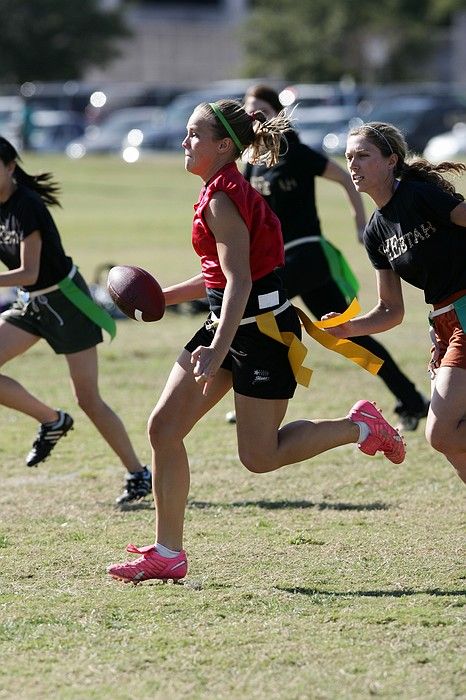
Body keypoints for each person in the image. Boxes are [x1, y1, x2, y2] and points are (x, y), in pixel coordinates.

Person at [107, 99, 405, 585]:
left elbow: (240, 282)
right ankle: (168, 553)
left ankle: (361, 427)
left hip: (263, 335)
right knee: (163, 428)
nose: (185, 142)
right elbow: (218, 281)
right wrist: (162, 295)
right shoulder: (215, 190)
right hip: (228, 325)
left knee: (260, 457)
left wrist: (218, 349)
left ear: (224, 146)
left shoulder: (224, 198)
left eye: (194, 135)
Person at [234, 84, 428, 432]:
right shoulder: (252, 163)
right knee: (348, 334)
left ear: (276, 114)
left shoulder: (293, 151)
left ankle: (256, 392)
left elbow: (343, 177)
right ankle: (412, 400)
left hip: (306, 254)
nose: (254, 116)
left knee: (250, 311)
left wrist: (358, 221)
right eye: (248, 109)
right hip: (280, 262)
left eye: (261, 109)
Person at [0, 136, 150, 505]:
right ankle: (52, 421)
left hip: (66, 300)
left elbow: (29, 271)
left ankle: (138, 473)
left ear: (9, 167)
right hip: (32, 304)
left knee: (88, 399)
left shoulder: (27, 206)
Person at [324, 121, 466, 484]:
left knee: (442, 434)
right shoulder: (375, 232)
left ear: (391, 160)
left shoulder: (418, 195)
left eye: (363, 156)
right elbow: (391, 309)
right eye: (349, 157)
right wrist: (348, 327)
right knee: (455, 446)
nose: (353, 164)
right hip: (445, 323)